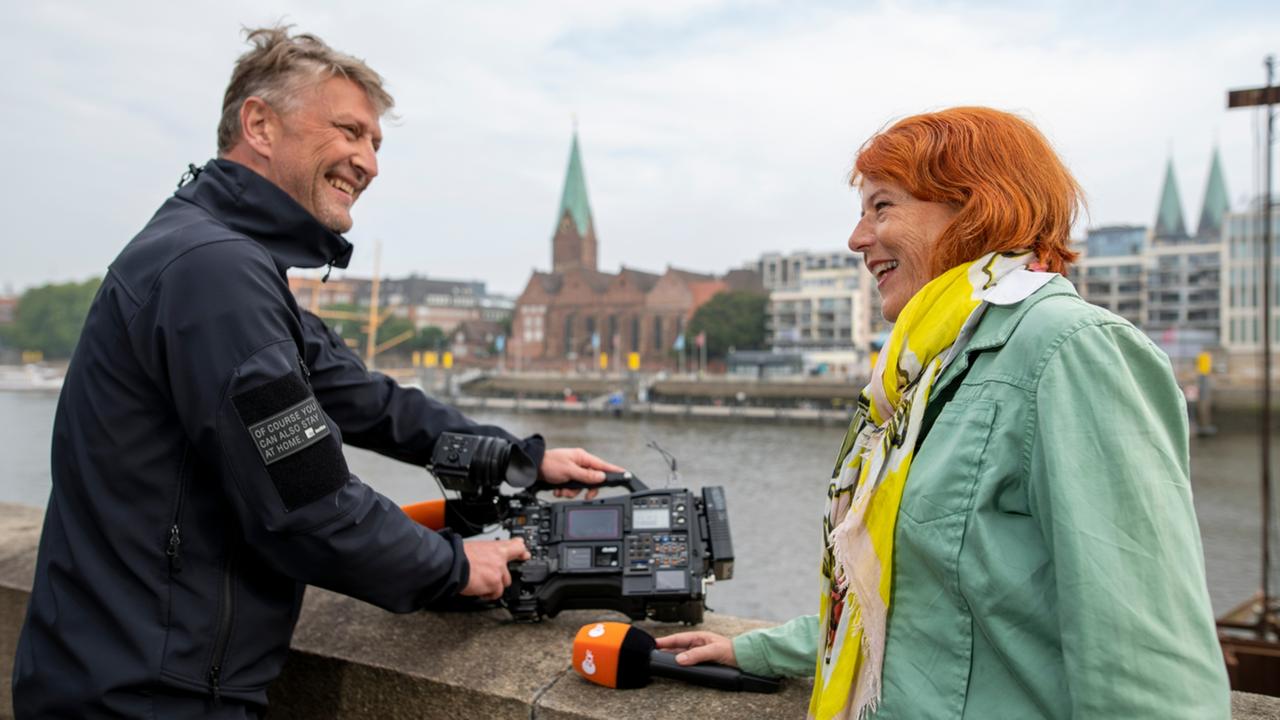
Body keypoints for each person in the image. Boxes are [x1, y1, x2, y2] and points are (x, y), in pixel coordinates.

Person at [12, 27, 620, 719]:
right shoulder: (214, 274)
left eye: (376, 144)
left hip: (127, 670)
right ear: (260, 125)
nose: (369, 162)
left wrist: (516, 459)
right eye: (349, 131)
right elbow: (308, 497)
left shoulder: (224, 257)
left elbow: (360, 397)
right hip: (146, 694)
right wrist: (454, 567)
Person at [657, 107, 1231, 718]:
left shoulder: (1071, 349)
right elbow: (917, 598)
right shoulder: (927, 366)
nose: (857, 238)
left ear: (976, 209)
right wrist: (761, 649)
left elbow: (1146, 663)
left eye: (882, 207)